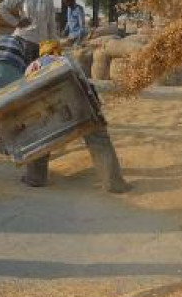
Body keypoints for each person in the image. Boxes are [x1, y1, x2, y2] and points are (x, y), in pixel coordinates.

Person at [19, 41, 131, 193]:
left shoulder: (33, 66)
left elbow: (28, 95)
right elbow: (87, 86)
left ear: (42, 53)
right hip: (80, 104)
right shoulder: (69, 61)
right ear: (58, 51)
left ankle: (36, 178)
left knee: (39, 135)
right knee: (99, 140)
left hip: (50, 109)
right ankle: (114, 184)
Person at [0, 0, 58, 64]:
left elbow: (51, 22)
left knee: (38, 73)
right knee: (24, 70)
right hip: (25, 40)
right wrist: (16, 22)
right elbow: (2, 8)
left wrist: (53, 43)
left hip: (42, 44)